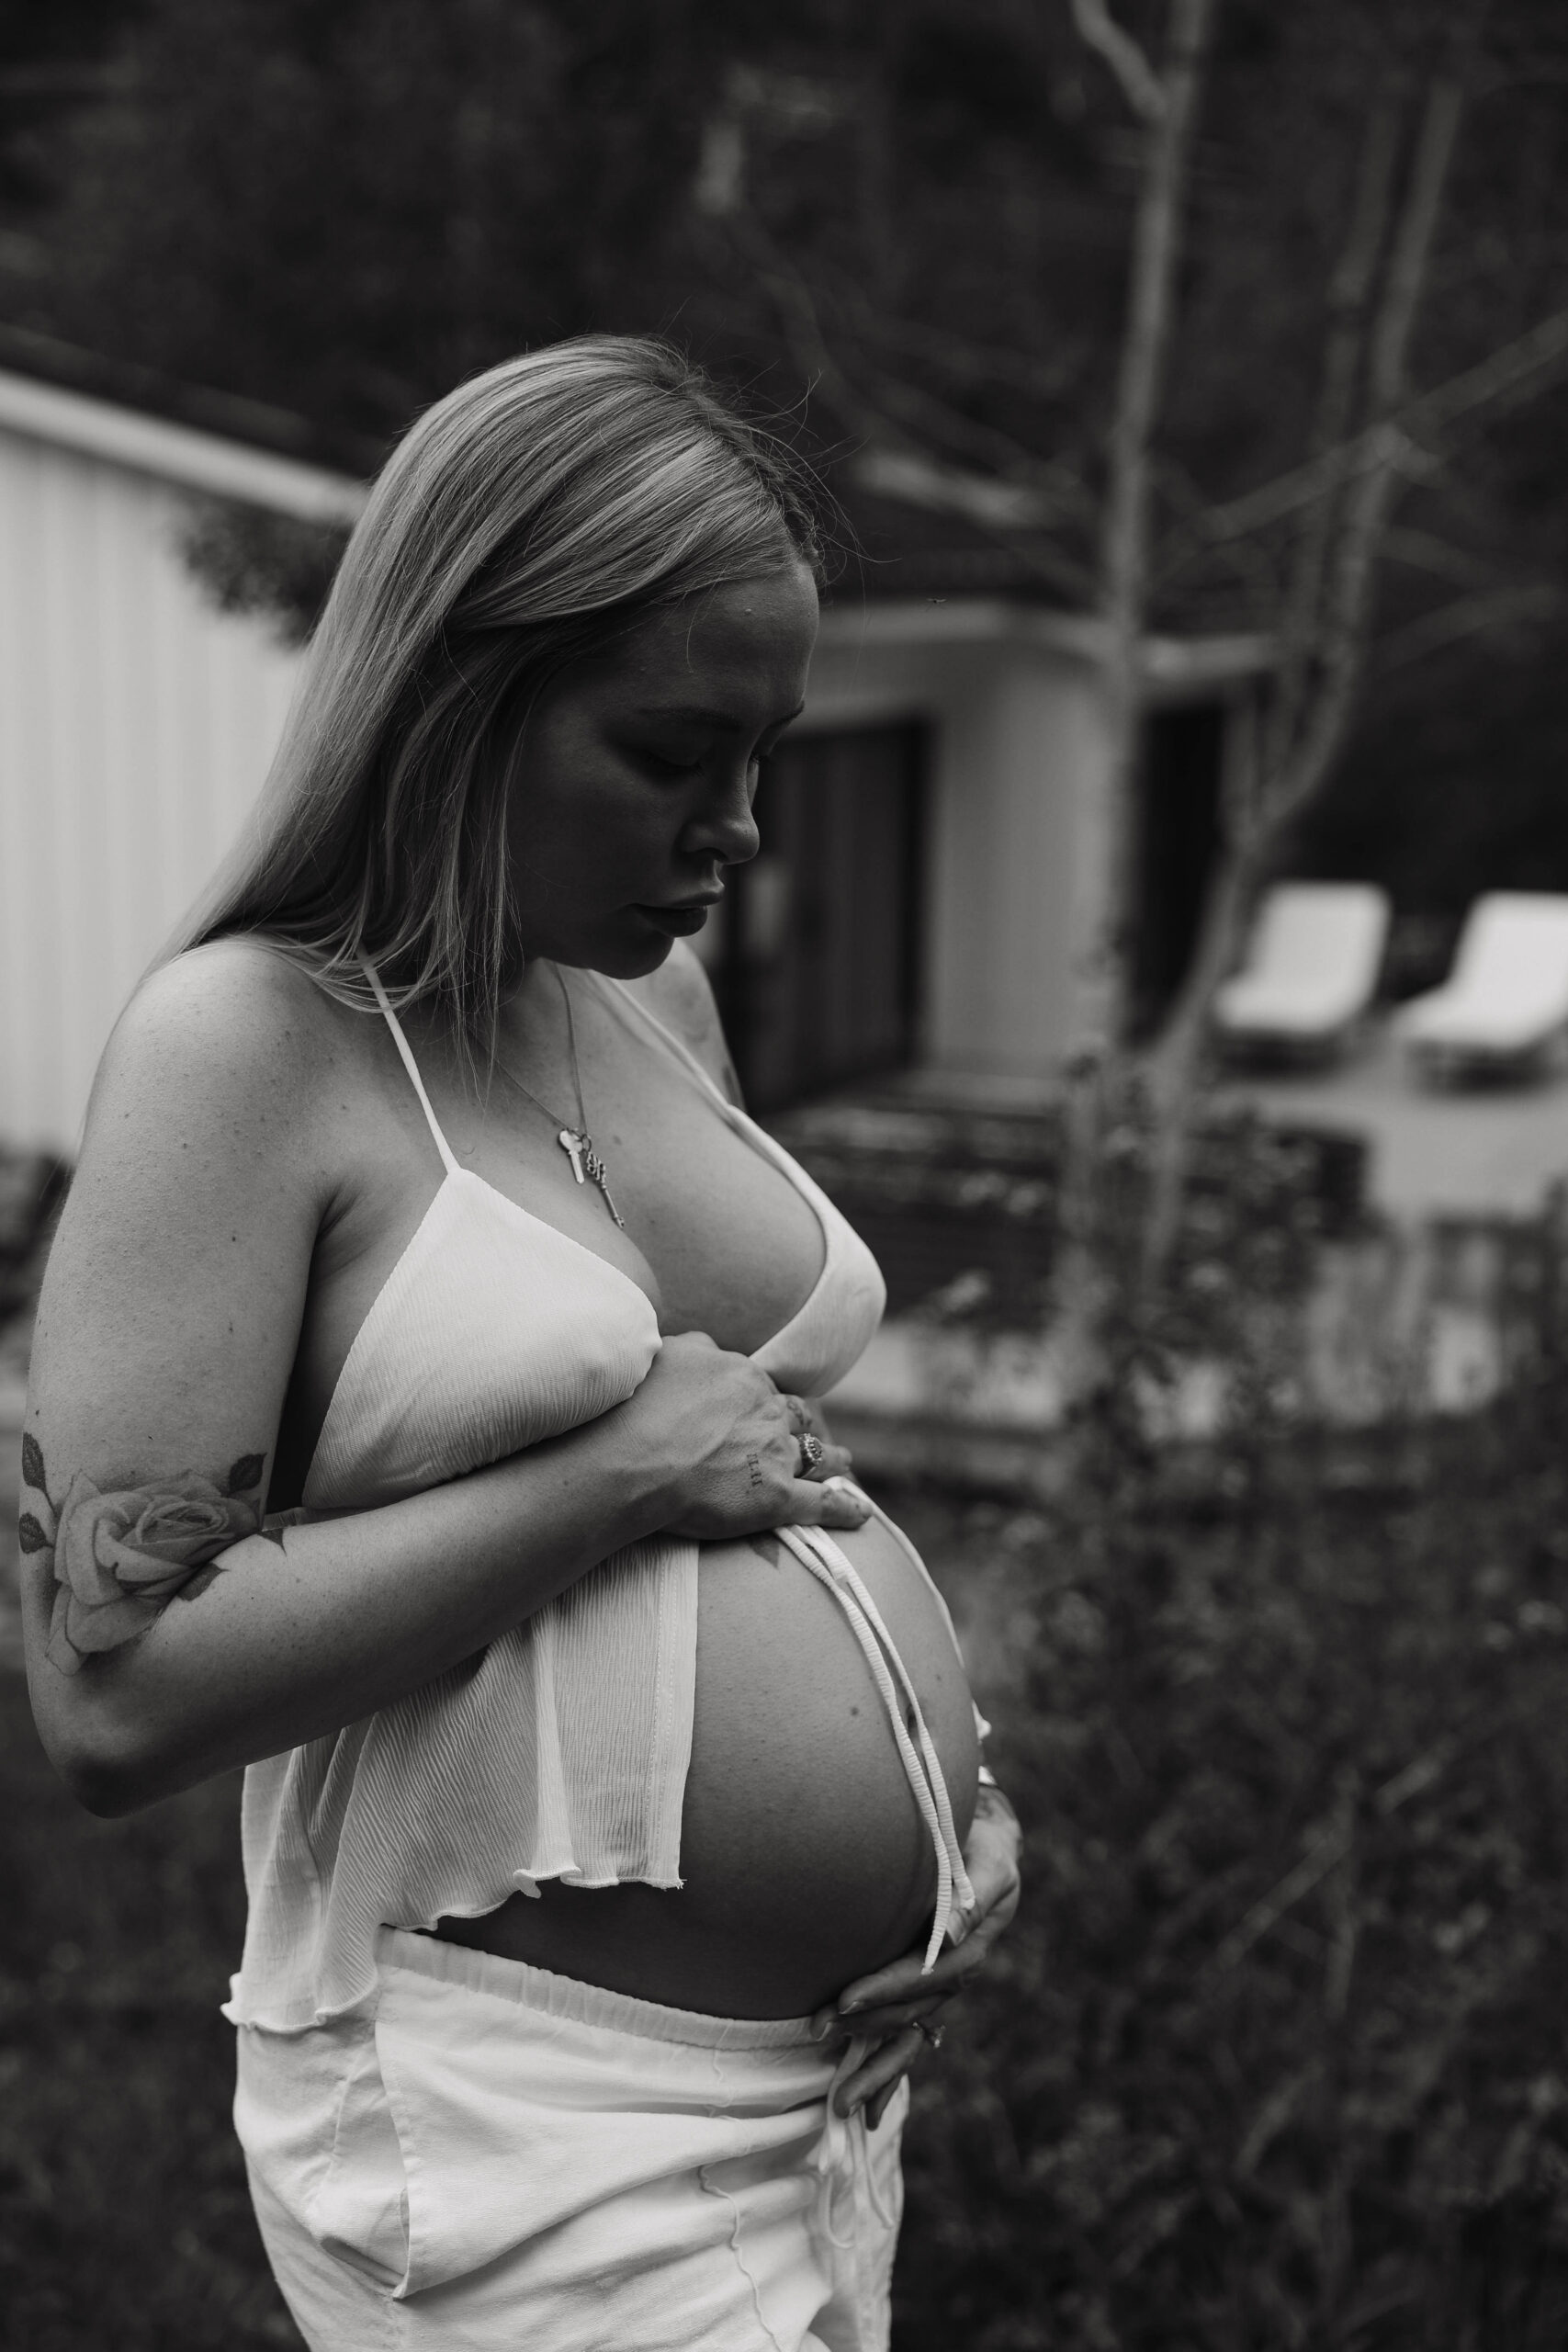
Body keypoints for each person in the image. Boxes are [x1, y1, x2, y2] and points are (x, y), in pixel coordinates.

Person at [19, 336, 1021, 2352]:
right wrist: (613, 1474)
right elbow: (108, 1698)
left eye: (766, 754)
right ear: (459, 701)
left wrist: (946, 1823)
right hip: (524, 2121)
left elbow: (750, 1452)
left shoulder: (637, 999)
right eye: (667, 756)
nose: (737, 828)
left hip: (816, 2091)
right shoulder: (248, 1048)